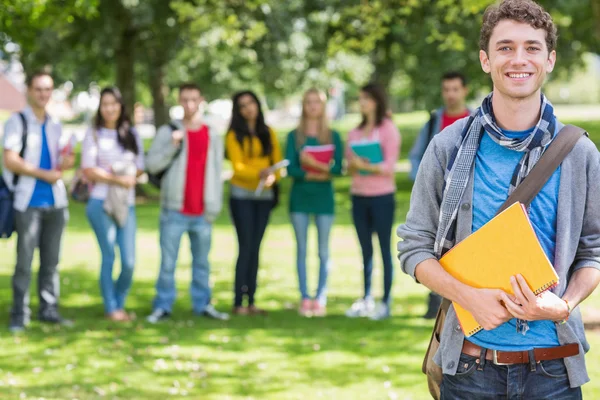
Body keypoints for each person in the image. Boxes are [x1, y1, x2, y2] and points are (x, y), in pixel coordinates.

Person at [397, 1, 600, 398]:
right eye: (505, 47)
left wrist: (565, 304)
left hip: (554, 371)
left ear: (550, 59)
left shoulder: (579, 153)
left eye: (532, 48)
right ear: (486, 60)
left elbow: (595, 250)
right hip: (470, 368)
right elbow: (414, 247)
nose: (518, 59)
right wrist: (466, 295)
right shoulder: (447, 148)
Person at [146, 83, 228, 323]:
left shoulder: (212, 134)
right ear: (179, 101)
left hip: (203, 209)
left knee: (202, 262)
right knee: (168, 263)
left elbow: (216, 170)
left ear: (201, 100)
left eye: (194, 99)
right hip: (175, 208)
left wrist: (215, 202)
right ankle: (163, 305)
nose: (189, 104)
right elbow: (152, 165)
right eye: (185, 99)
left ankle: (203, 304)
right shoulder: (168, 131)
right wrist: (172, 146)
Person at [2, 71, 75, 332]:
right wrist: (44, 173)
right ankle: (19, 315)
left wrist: (66, 162)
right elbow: (10, 160)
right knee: (24, 262)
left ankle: (49, 310)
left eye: (48, 89)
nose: (43, 94)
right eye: (39, 89)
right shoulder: (17, 122)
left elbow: (58, 162)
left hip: (56, 201)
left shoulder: (56, 124)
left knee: (51, 262)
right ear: (29, 91)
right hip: (28, 202)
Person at [409, 71, 472, 319]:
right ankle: (435, 300)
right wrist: (424, 184)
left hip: (466, 200)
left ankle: (464, 300)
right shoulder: (435, 119)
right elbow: (417, 156)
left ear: (464, 90)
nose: (450, 94)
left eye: (455, 89)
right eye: (446, 89)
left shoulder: (476, 119)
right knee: (434, 248)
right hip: (439, 198)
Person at [81, 87, 144, 322]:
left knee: (129, 261)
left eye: (114, 104)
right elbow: (89, 170)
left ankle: (119, 302)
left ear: (121, 106)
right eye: (105, 104)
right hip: (100, 202)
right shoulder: (94, 134)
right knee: (109, 256)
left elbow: (139, 167)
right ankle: (112, 308)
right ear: (100, 107)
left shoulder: (132, 134)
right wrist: (117, 176)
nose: (110, 108)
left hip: (126, 203)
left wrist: (117, 171)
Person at [285, 88, 343, 317]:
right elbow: (291, 168)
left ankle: (320, 296)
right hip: (299, 198)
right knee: (301, 249)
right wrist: (315, 173)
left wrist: (314, 165)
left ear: (323, 106)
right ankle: (304, 296)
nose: (312, 107)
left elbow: (338, 168)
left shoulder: (333, 135)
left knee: (323, 250)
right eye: (308, 102)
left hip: (324, 199)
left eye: (316, 102)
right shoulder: (294, 136)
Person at [345, 83, 401, 321]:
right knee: (365, 250)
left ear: (377, 101)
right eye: (360, 99)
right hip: (358, 196)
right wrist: (354, 166)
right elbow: (349, 166)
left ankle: (385, 301)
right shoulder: (354, 133)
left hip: (382, 197)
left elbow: (389, 167)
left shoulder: (388, 129)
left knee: (383, 250)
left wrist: (365, 165)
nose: (362, 103)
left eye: (366, 98)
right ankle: (366, 298)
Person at [226, 90, 283, 316]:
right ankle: (238, 301)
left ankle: (252, 301)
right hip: (241, 197)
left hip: (264, 198)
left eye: (251, 103)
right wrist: (261, 172)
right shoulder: (233, 135)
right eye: (242, 105)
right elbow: (238, 167)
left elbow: (277, 163)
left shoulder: (268, 133)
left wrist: (272, 176)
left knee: (256, 248)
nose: (248, 108)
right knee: (245, 247)